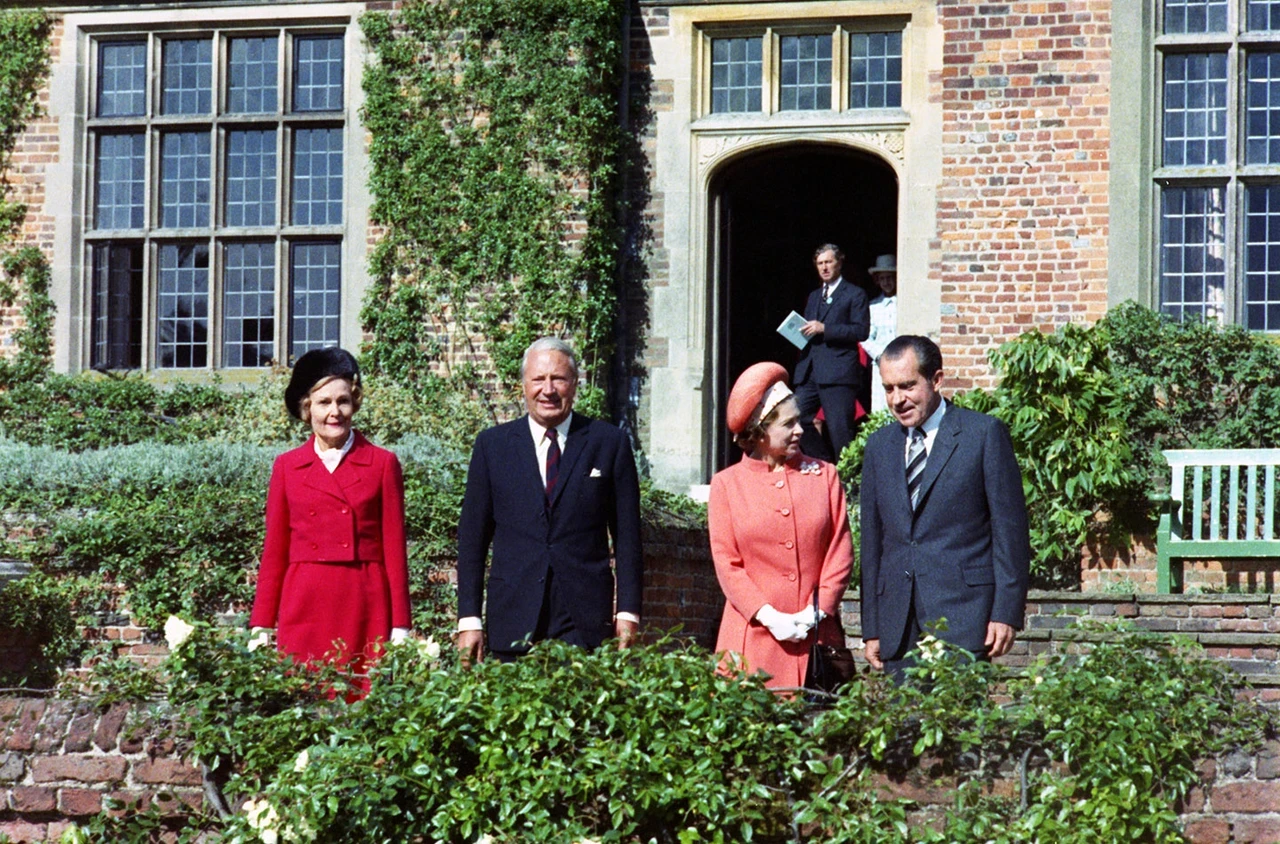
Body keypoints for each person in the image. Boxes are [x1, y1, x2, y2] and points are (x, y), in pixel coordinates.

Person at [455, 337, 643, 664]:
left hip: (585, 624)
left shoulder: (608, 443)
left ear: (575, 384)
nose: (548, 389)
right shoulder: (492, 447)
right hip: (512, 618)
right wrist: (469, 619)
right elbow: (472, 540)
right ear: (523, 385)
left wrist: (628, 612)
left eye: (558, 378)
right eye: (538, 379)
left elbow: (628, 539)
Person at [859, 335, 1030, 680]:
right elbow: (873, 543)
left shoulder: (982, 435)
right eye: (889, 389)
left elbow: (1010, 532)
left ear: (936, 380)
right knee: (902, 730)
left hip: (964, 619)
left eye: (907, 386)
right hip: (898, 624)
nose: (898, 400)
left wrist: (1006, 612)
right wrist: (873, 625)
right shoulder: (879, 446)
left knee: (961, 728)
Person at [250, 347, 412, 684]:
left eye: (343, 401)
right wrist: (261, 623)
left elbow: (395, 550)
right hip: (304, 602)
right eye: (324, 403)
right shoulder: (287, 467)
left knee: (361, 701)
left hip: (364, 600)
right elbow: (275, 550)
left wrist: (401, 624)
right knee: (306, 700)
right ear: (307, 409)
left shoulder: (382, 464)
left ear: (355, 404)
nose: (335, 412)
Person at [708, 362, 854, 689]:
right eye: (788, 424)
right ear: (759, 431)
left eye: (799, 421)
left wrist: (816, 612)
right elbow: (727, 563)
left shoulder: (825, 476)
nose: (800, 430)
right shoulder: (726, 486)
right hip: (751, 641)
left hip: (817, 642)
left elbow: (840, 552)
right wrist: (769, 617)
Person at [793, 243, 871, 463]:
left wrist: (825, 329)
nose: (824, 267)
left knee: (840, 431)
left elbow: (861, 330)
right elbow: (810, 329)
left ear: (839, 262)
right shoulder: (814, 296)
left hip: (837, 372)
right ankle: (825, 462)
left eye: (828, 262)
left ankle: (848, 485)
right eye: (820, 263)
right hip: (810, 371)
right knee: (796, 417)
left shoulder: (855, 294)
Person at [861, 254, 898, 414]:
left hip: (902, 360)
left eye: (889, 278)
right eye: (882, 278)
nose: (886, 282)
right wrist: (879, 355)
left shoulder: (905, 303)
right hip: (881, 363)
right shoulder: (873, 306)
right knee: (881, 405)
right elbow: (865, 336)